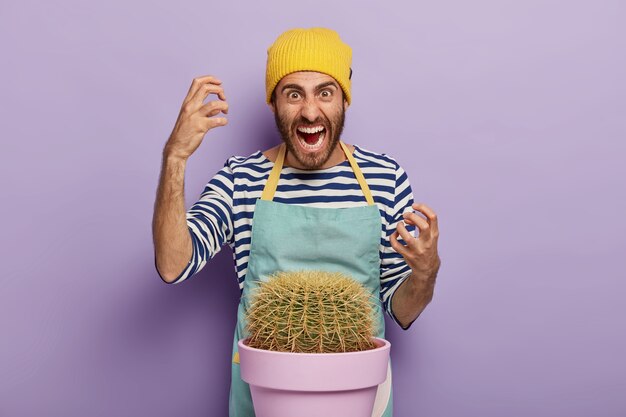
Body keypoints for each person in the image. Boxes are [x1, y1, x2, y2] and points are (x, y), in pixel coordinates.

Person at [152, 27, 441, 417]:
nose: (309, 111)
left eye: (325, 92)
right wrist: (175, 157)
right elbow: (173, 265)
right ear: (273, 103)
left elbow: (402, 309)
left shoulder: (385, 177)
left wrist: (425, 273)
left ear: (344, 98)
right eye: (293, 94)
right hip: (264, 394)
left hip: (358, 393)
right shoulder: (241, 179)